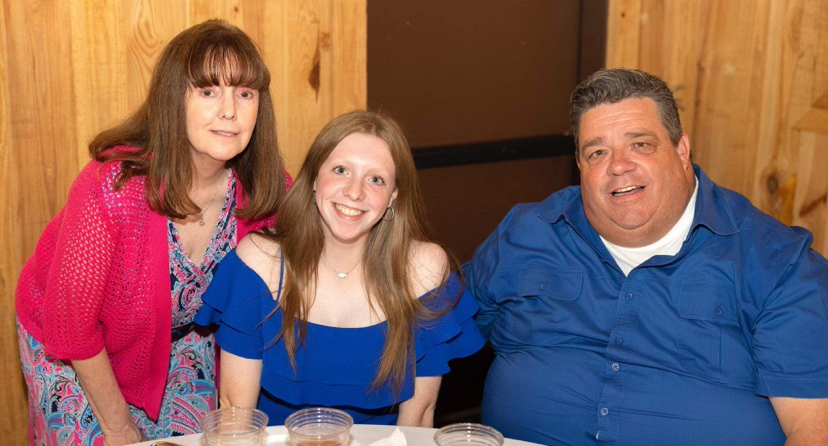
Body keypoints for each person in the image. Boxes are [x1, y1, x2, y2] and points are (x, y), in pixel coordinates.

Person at [464, 68, 828, 446]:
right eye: (597, 152)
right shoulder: (528, 232)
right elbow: (434, 325)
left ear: (682, 150)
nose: (618, 165)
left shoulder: (778, 263)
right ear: (580, 167)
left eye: (640, 144)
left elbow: (814, 431)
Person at [15, 19, 289, 446]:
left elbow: (330, 231)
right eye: (208, 91)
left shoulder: (267, 189)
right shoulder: (114, 186)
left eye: (244, 93)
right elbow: (73, 324)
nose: (230, 111)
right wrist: (118, 426)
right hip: (70, 344)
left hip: (182, 340)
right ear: (172, 99)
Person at [195, 110, 484, 426]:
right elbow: (237, 414)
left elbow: (418, 419)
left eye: (376, 179)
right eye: (341, 170)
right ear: (315, 178)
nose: (355, 192)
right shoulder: (258, 264)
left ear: (393, 197)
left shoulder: (424, 271)